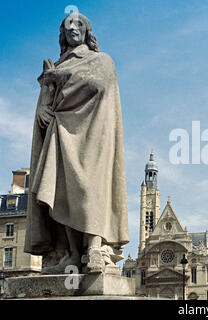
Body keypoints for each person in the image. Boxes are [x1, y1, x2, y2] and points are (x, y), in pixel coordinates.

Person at [24, 12, 129, 274]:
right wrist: (43, 110)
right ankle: (71, 253)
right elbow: (46, 105)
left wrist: (58, 79)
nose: (73, 27)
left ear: (87, 31)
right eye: (68, 24)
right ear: (62, 32)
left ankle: (94, 247)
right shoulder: (56, 66)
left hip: (92, 133)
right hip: (61, 132)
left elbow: (98, 84)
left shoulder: (101, 60)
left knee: (90, 188)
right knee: (63, 191)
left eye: (79, 24)